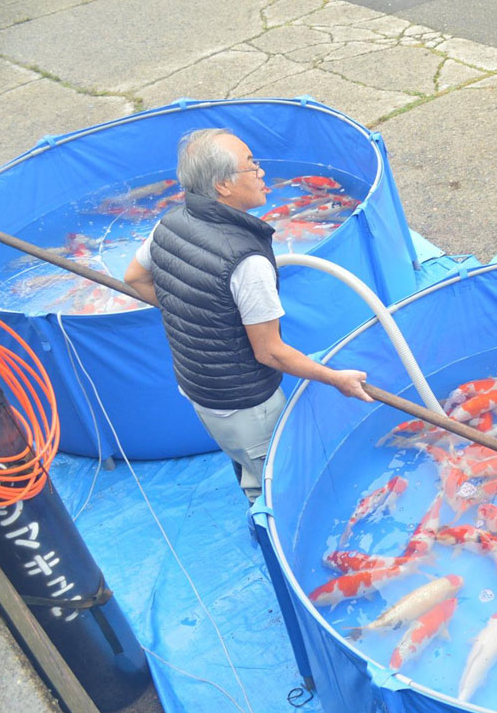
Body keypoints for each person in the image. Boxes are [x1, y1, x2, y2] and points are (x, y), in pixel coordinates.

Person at [125, 128, 372, 505]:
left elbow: (135, 278)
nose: (261, 172)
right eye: (251, 165)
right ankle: (269, 530)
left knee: (243, 459)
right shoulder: (247, 262)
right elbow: (269, 353)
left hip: (197, 387)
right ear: (223, 185)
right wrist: (336, 378)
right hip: (244, 402)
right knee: (276, 482)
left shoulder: (169, 222)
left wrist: (198, 313)